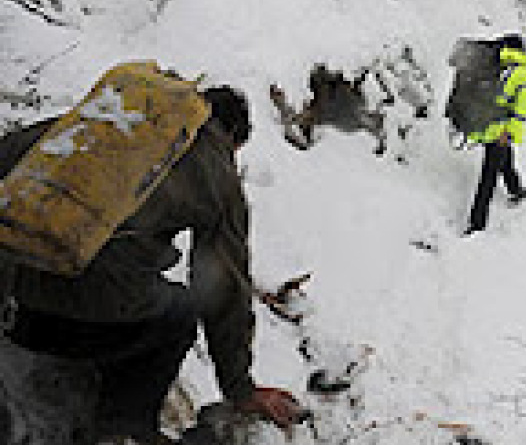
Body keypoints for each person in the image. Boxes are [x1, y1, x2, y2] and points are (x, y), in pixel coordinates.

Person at [0, 86, 303, 445]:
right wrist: (240, 388)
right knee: (179, 313)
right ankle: (124, 430)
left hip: (12, 300)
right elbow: (224, 286)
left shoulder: (113, 120)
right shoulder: (215, 169)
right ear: (233, 139)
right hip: (66, 318)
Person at [464, 34, 526, 237]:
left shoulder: (501, 69)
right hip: (499, 131)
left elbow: (507, 104)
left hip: (491, 128)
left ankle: (512, 193)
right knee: (495, 170)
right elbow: (521, 110)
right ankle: (480, 220)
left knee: (496, 169)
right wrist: (509, 133)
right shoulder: (520, 74)